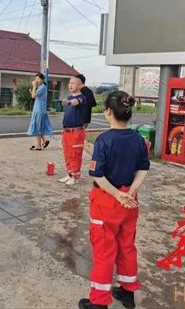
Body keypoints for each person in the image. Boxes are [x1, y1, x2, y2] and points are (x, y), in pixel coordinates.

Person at [78, 91, 149, 309]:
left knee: (104, 252)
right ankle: (127, 293)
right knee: (127, 246)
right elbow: (142, 169)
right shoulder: (138, 139)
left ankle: (99, 302)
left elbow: (98, 175)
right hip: (130, 202)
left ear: (108, 112)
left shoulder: (104, 140)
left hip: (106, 202)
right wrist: (129, 192)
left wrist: (117, 194)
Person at [58, 76, 86, 186]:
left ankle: (75, 177)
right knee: (67, 153)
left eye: (74, 83)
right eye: (70, 83)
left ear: (81, 86)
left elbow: (76, 102)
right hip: (67, 131)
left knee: (75, 155)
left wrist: (69, 102)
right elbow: (70, 101)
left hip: (76, 132)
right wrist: (67, 101)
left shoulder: (82, 98)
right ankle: (69, 174)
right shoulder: (69, 97)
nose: (70, 85)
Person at [27, 72, 53, 150]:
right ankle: (45, 140)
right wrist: (32, 91)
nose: (36, 80)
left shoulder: (42, 87)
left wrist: (34, 86)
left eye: (38, 79)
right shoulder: (42, 87)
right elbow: (35, 96)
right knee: (39, 127)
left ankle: (38, 146)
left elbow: (33, 96)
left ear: (42, 79)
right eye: (35, 79)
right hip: (40, 109)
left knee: (37, 127)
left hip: (39, 110)